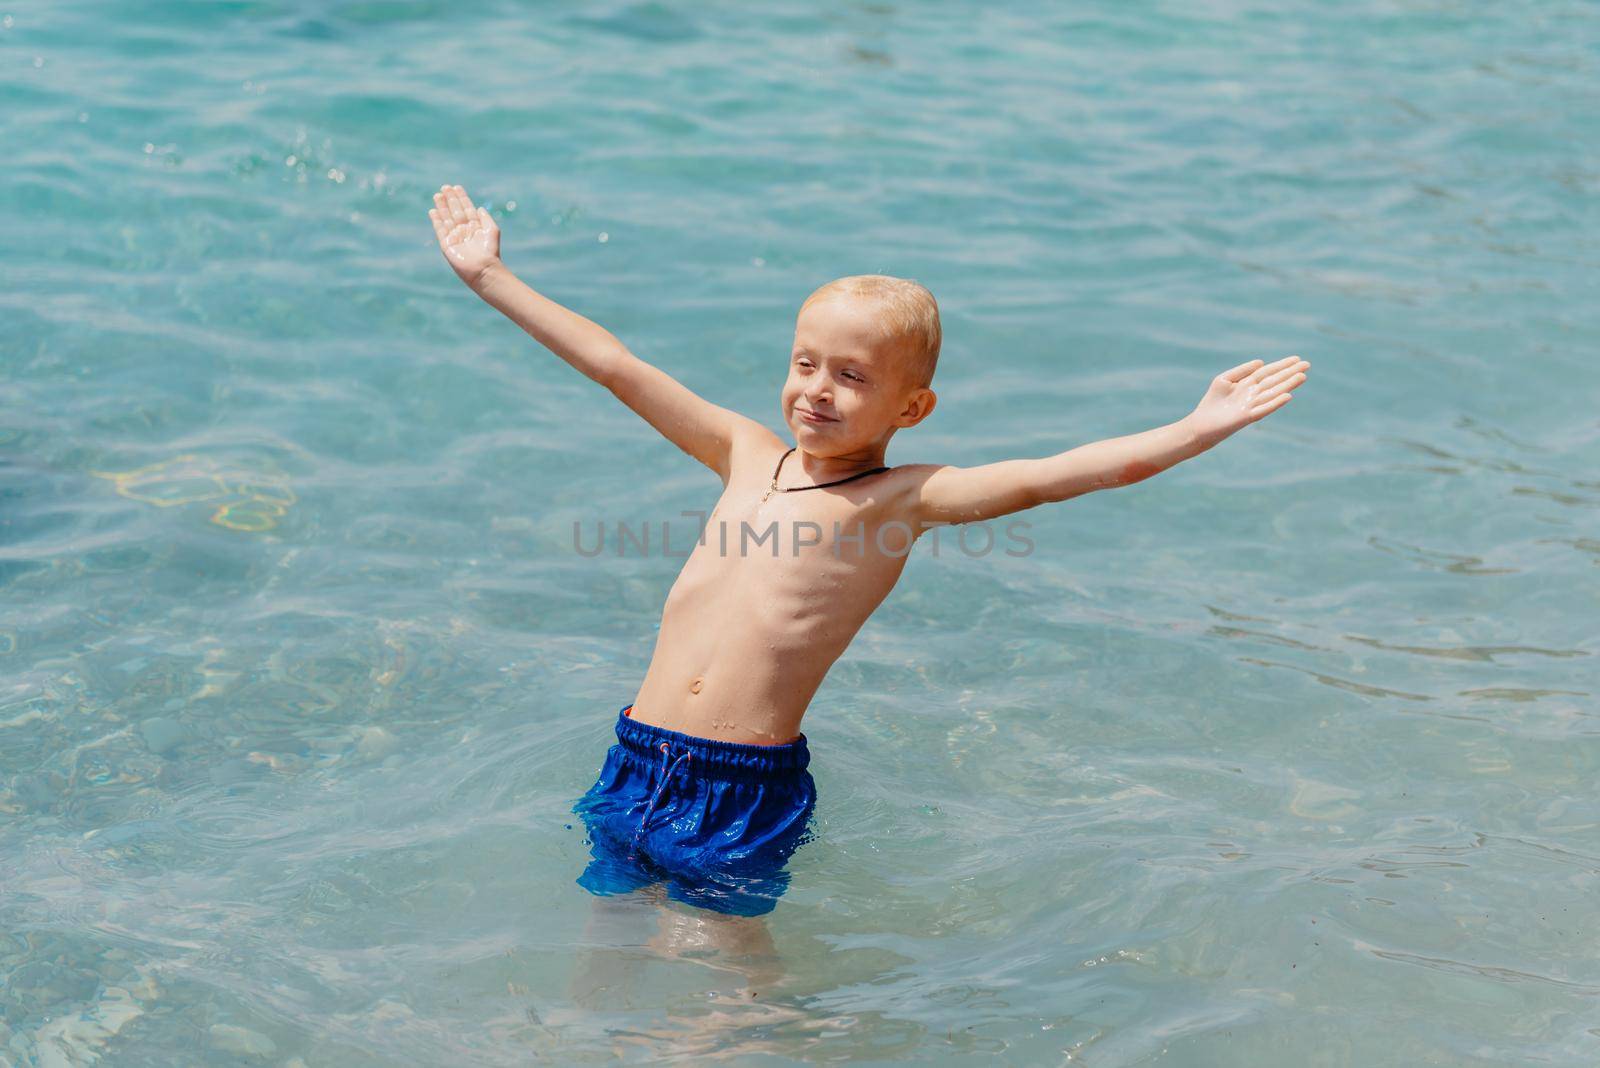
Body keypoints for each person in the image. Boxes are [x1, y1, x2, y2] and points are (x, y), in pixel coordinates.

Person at [428, 183, 1310, 922]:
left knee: (716, 974)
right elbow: (615, 364)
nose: (817, 389)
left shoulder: (901, 499)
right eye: (806, 364)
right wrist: (491, 277)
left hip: (741, 784)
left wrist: (1196, 430)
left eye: (851, 377)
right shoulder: (742, 451)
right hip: (637, 754)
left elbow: (1053, 476)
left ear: (911, 408)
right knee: (609, 937)